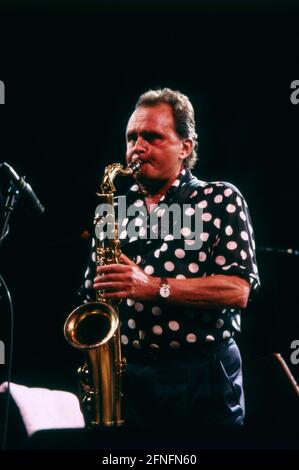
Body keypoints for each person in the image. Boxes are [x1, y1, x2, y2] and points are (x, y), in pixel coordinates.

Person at [78, 88, 260, 433]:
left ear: (186, 146)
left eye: (152, 137)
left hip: (200, 379)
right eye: (132, 137)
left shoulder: (219, 198)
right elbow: (93, 297)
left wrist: (151, 287)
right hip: (127, 380)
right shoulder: (113, 210)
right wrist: (93, 366)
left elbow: (238, 290)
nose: (138, 147)